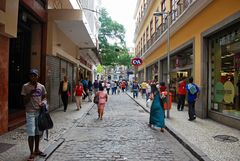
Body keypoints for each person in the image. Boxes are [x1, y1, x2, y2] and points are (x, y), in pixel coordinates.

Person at [21, 69, 47, 161]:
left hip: (39, 112)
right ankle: (31, 153)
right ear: (29, 77)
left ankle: (37, 149)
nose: (33, 77)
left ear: (37, 76)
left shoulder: (42, 86)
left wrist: (43, 103)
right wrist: (30, 93)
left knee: (38, 132)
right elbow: (24, 101)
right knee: (31, 133)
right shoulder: (25, 86)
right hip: (30, 112)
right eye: (31, 75)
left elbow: (44, 98)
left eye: (34, 75)